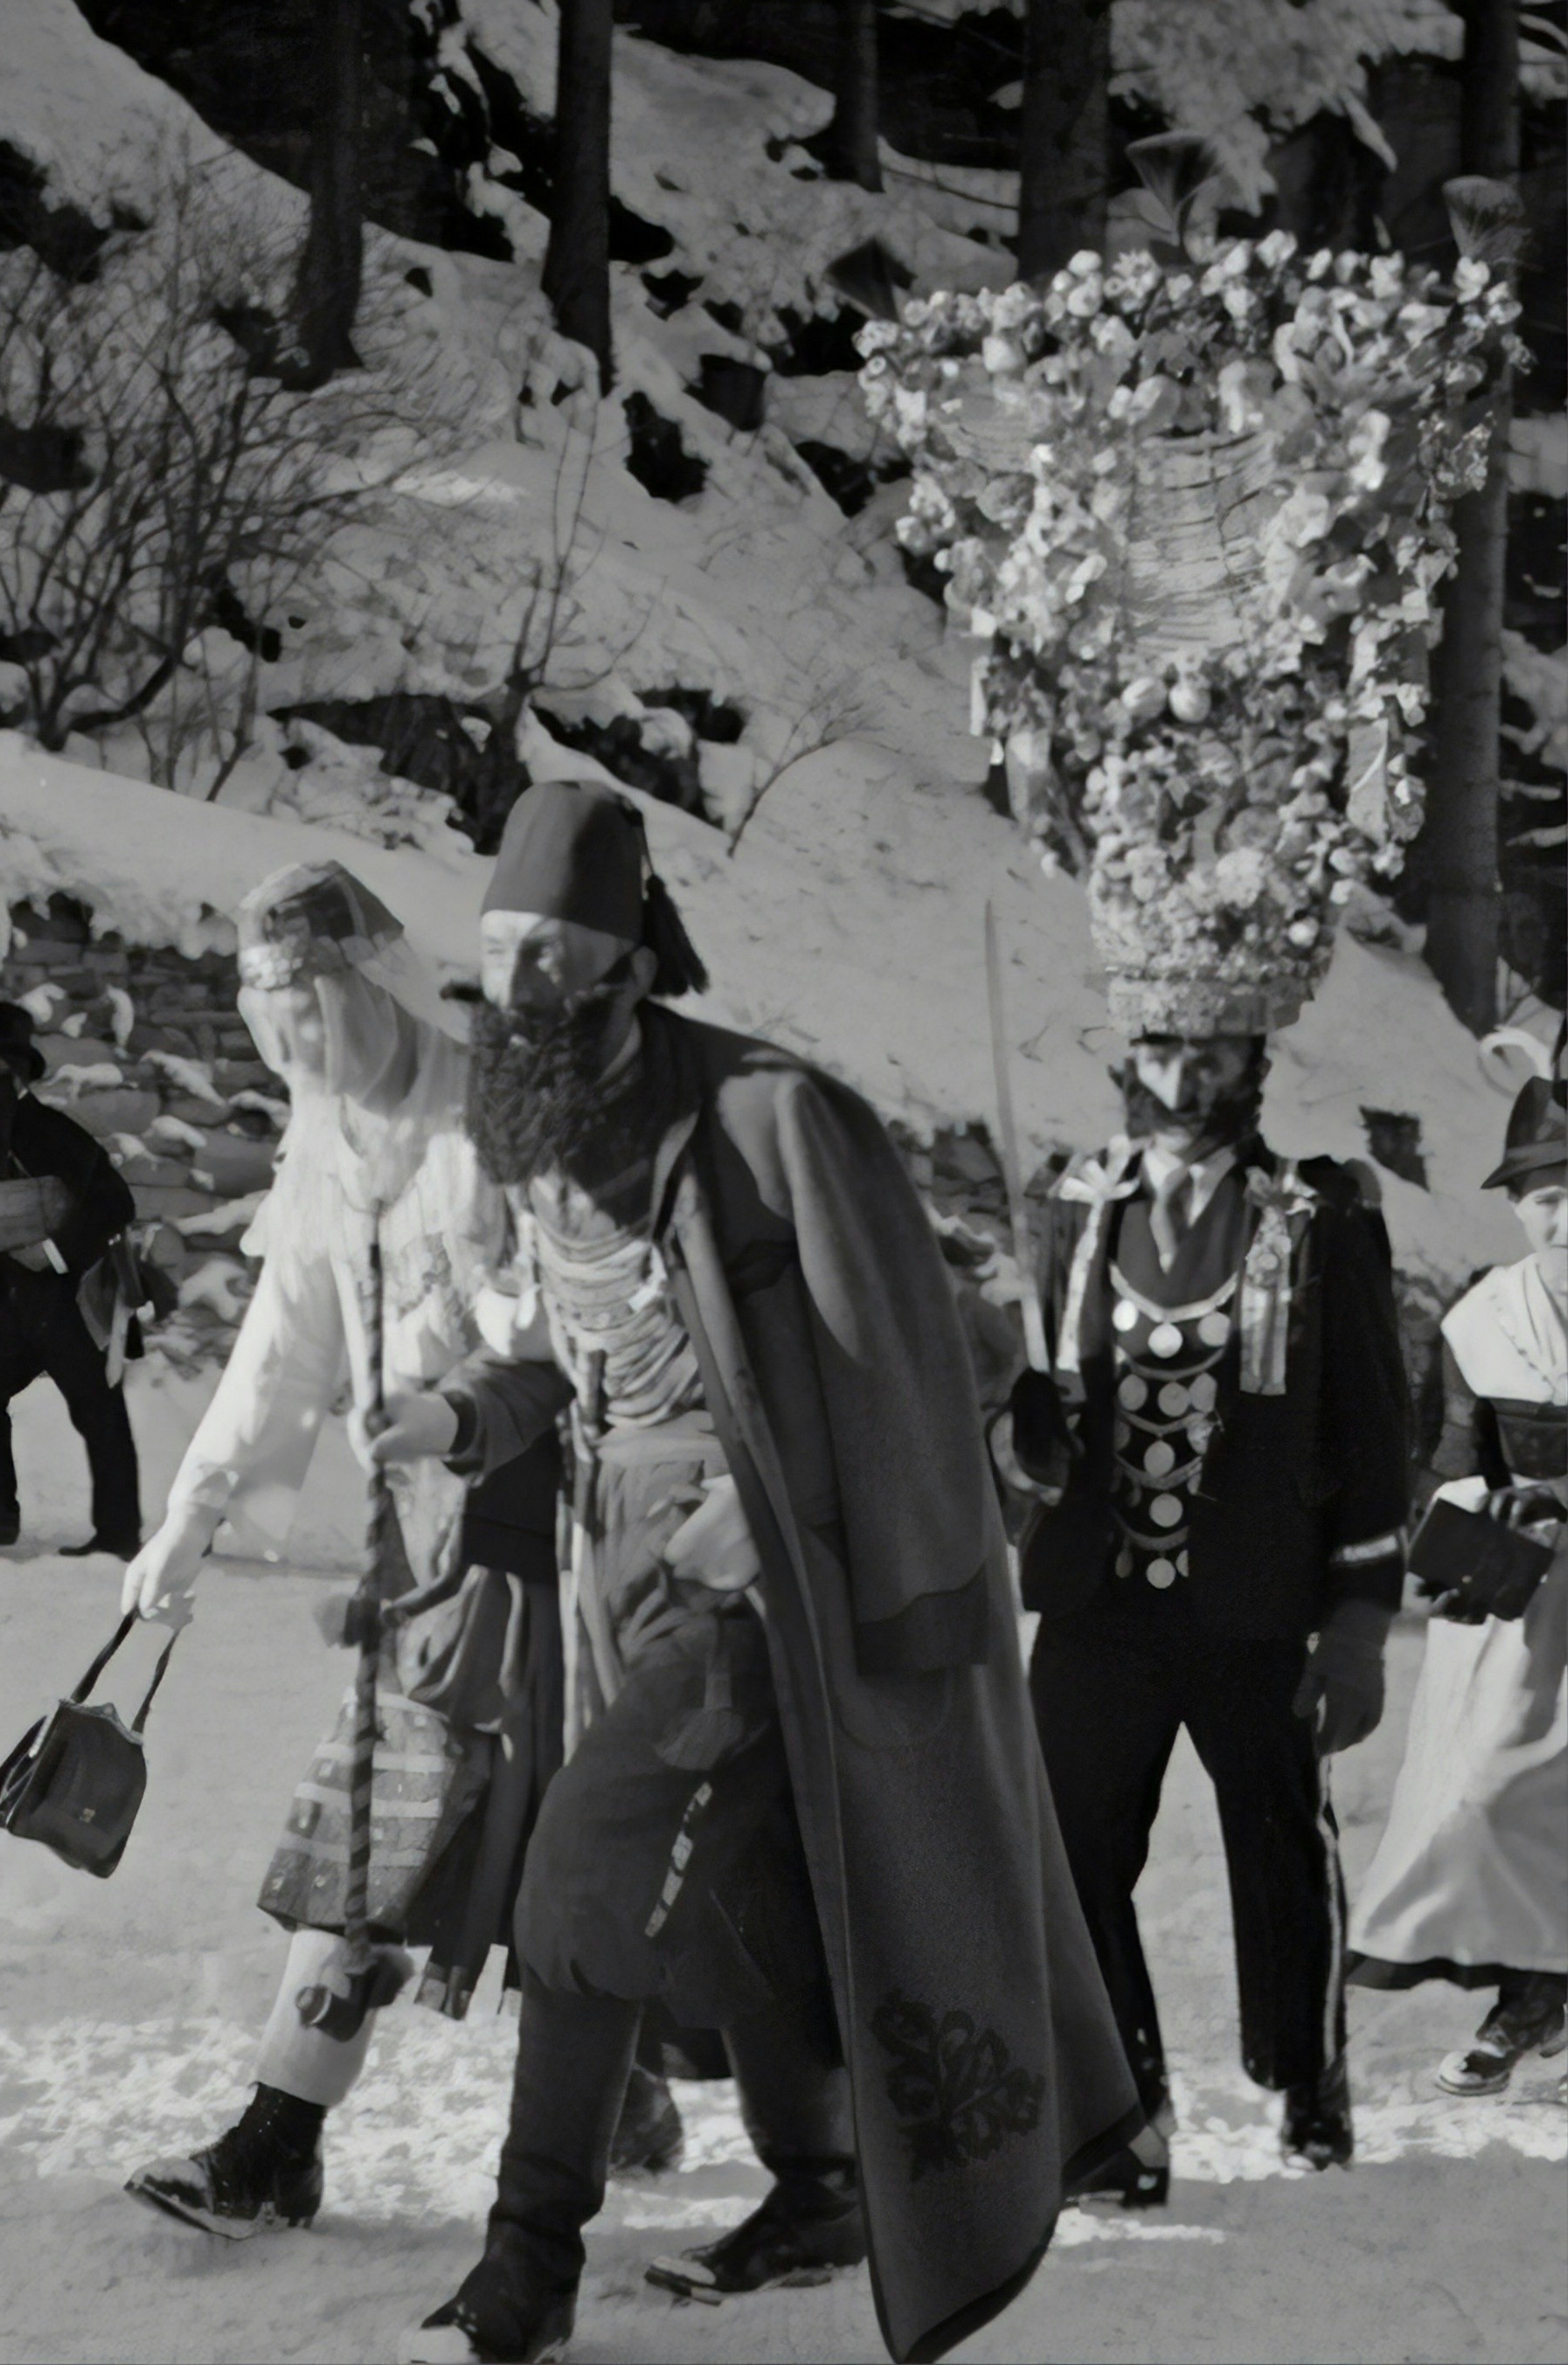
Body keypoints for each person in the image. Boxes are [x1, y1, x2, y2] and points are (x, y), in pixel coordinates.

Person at [375, 782, 1137, 2365]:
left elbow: (902, 1362)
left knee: (584, 1866)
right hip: (612, 1565)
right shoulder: (530, 1132)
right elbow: (562, 1359)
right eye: (499, 945)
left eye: (555, 951)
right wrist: (457, 1411)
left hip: (750, 1586)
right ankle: (822, 2177)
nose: (516, 984)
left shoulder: (769, 1113)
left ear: (629, 962)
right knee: (750, 1877)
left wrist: (772, 1508)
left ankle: (526, 2263)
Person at [119, 860, 579, 2239]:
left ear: (368, 988)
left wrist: (480, 1360)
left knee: (600, 1842)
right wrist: (191, 1513)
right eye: (276, 1029)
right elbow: (283, 1347)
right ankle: (280, 2139)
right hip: (425, 1560)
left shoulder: (507, 1123)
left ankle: (663, 2088)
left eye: (314, 1014)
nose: (301, 1052)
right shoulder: (328, 1152)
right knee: (373, 1828)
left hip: (558, 1538)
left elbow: (583, 1330)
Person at [1007, 1014, 1412, 2194]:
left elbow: (1372, 1429)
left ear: (1255, 1065)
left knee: (1281, 1850)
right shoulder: (1077, 1204)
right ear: (1131, 1061)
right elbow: (1040, 1403)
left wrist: (1356, 1621)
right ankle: (1121, 2111)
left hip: (1256, 1602)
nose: (1186, 1082)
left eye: (1215, 1056)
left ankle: (1307, 2071)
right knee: (1067, 1857)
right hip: (1099, 1604)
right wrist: (1025, 1436)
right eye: (1164, 1054)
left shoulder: (1319, 1215)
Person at [1348, 1070, 1567, 2100]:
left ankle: (1536, 2008)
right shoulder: (1484, 1315)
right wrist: (1484, 1512)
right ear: (1516, 1206)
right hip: (1524, 1593)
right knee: (1491, 1795)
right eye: (1543, 1196)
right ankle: (1530, 1994)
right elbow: (1448, 1455)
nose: (1562, 1216)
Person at [0, 999, 141, 1559]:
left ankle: (118, 1536)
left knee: (97, 1409)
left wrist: (57, 1253)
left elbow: (115, 1201)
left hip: (69, 1299)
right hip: (25, 1303)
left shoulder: (48, 1129)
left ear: (12, 1073)